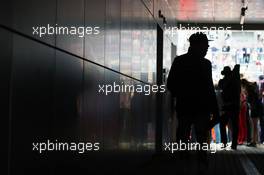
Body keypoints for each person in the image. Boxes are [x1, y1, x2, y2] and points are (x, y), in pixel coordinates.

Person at [167, 32, 219, 166]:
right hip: (202, 109)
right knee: (202, 138)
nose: (207, 47)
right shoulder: (206, 64)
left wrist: (182, 95)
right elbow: (209, 89)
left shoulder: (179, 61)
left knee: (183, 136)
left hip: (184, 107)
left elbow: (171, 84)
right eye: (205, 45)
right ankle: (201, 164)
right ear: (198, 45)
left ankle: (183, 162)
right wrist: (215, 111)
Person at [218, 65, 241, 150]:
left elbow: (220, 86)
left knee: (222, 125)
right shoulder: (236, 81)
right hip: (235, 106)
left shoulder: (223, 81)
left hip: (226, 106)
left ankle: (224, 143)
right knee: (235, 125)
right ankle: (234, 144)